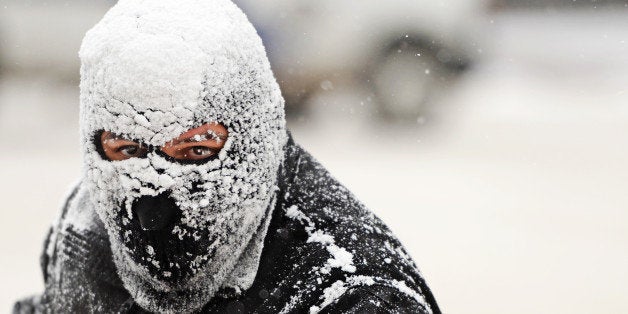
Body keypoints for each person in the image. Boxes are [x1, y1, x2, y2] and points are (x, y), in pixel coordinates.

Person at [13, 0, 441, 313]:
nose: (153, 208)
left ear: (254, 141)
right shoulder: (86, 229)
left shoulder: (348, 295)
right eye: (128, 150)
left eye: (196, 151)